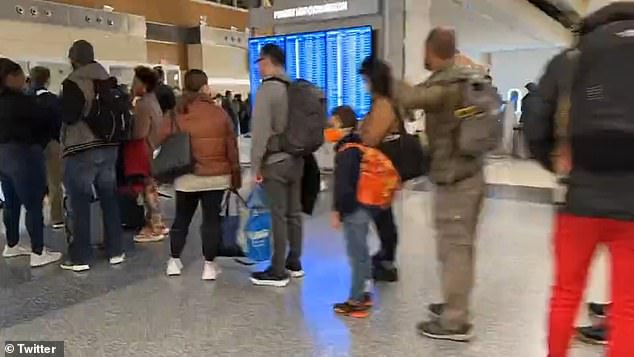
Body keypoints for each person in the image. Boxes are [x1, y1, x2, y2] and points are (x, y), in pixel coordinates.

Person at [525, 3, 634, 356]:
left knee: (566, 293)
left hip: (579, 198)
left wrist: (556, 162)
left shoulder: (572, 59)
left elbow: (536, 121)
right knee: (628, 306)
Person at [392, 27, 484, 341]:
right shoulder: (460, 77)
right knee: (457, 247)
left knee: (455, 249)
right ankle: (454, 304)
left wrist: (386, 79)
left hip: (457, 180)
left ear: (432, 50)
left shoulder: (448, 84)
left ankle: (456, 322)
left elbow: (413, 98)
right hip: (467, 176)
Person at [156, 69, 241, 280]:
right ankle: (209, 267)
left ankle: (174, 261)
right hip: (216, 176)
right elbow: (232, 147)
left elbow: (157, 139)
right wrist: (235, 175)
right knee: (211, 221)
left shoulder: (177, 111)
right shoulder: (219, 113)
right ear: (205, 87)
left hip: (187, 176)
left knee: (181, 219)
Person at [59, 40, 125, 272]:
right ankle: (115, 250)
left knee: (80, 201)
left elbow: (69, 115)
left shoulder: (73, 82)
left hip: (82, 147)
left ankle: (81, 256)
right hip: (109, 147)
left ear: (73, 58)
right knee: (109, 198)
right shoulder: (106, 79)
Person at [250, 43, 305, 287]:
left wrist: (255, 168)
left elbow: (260, 133)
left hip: (275, 162)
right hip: (296, 160)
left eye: (259, 61)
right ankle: (295, 262)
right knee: (294, 213)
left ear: (268, 61)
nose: (258, 66)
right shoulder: (294, 88)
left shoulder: (267, 90)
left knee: (278, 215)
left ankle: (277, 269)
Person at [0, 58, 62, 267]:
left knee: (10, 203)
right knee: (33, 204)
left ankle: (12, 244)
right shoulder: (22, 101)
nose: (23, 79)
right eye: (18, 75)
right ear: (9, 77)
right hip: (23, 154)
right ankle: (38, 251)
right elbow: (44, 122)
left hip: (2, 156)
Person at [357, 57, 402, 283]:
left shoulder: (383, 104)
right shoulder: (381, 102)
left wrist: (360, 133)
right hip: (382, 169)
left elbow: (372, 138)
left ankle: (387, 260)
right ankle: (385, 256)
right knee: (383, 214)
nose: (364, 84)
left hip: (382, 171)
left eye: (365, 79)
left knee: (383, 215)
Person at [330, 106, 374, 318]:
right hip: (365, 205)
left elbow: (343, 187)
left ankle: (356, 301)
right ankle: (364, 293)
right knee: (362, 252)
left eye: (334, 124)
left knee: (356, 255)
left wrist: (338, 210)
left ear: (341, 123)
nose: (332, 128)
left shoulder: (346, 151)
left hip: (353, 208)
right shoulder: (360, 145)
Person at [128, 66, 168, 243]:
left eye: (135, 81)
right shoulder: (153, 101)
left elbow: (139, 133)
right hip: (154, 149)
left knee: (148, 189)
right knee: (151, 188)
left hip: (145, 151)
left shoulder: (143, 105)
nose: (132, 85)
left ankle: (156, 226)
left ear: (143, 84)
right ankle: (157, 223)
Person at [28, 66, 64, 230]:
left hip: (30, 145)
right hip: (51, 143)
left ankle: (35, 216)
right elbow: (59, 122)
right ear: (48, 80)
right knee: (54, 181)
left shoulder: (25, 99)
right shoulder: (53, 100)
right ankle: (56, 217)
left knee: (33, 181)